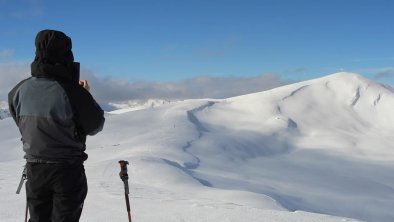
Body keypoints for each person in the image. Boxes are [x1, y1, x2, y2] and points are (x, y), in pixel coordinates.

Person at [8, 29, 105, 222]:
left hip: (35, 170)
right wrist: (85, 95)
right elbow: (95, 125)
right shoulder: (72, 91)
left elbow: (21, 122)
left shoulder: (18, 90)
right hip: (67, 171)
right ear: (66, 54)